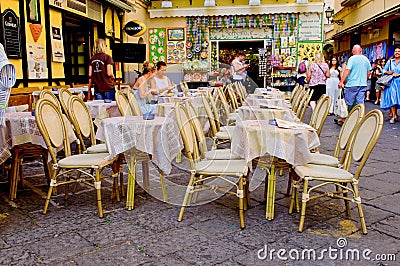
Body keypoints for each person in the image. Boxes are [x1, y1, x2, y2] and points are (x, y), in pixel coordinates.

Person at [338, 45, 372, 124]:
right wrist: (365, 79)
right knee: (360, 102)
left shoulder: (352, 59)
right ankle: (361, 118)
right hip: (362, 84)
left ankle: (343, 118)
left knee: (348, 102)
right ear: (361, 51)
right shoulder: (366, 59)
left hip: (352, 84)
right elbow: (369, 72)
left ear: (353, 51)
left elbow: (347, 71)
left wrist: (341, 81)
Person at [380, 46, 400, 124]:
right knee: (393, 99)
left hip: (399, 82)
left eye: (399, 51)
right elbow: (383, 70)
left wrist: (398, 74)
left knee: (397, 99)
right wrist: (388, 72)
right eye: (396, 51)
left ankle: (395, 114)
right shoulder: (390, 62)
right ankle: (393, 116)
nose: (397, 53)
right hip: (391, 82)